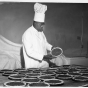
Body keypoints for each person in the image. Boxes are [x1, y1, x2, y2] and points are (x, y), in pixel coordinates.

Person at [22, 3, 70, 69]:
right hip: (33, 66)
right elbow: (30, 52)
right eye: (41, 24)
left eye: (43, 24)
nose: (43, 26)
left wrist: (51, 48)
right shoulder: (27, 34)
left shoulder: (41, 32)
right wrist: (44, 57)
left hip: (44, 65)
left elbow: (45, 43)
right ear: (35, 23)